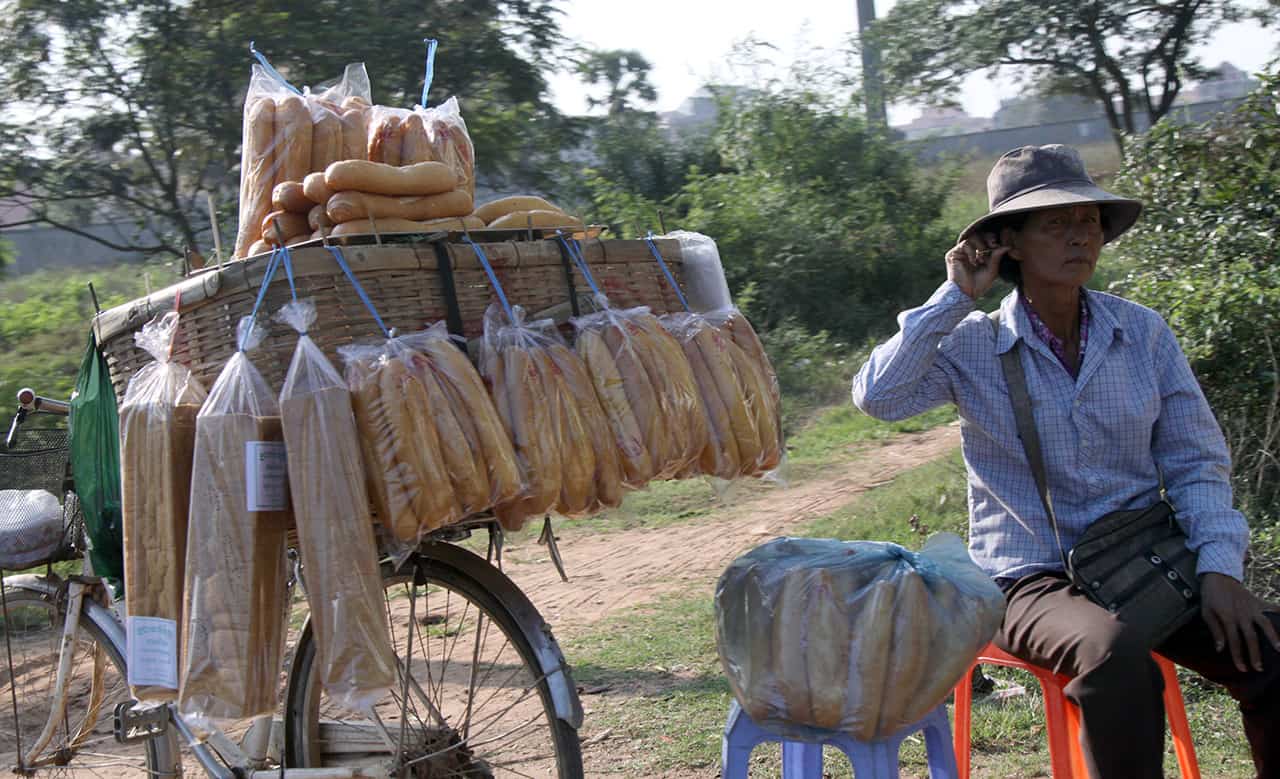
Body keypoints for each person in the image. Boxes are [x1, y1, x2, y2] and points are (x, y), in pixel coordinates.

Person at [851, 144, 1279, 779]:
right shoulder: (974, 344)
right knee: (1112, 653)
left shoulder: (1141, 333)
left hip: (1145, 564)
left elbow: (1197, 463)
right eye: (1055, 223)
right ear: (1009, 245)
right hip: (1028, 580)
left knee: (1272, 648)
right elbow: (876, 397)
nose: (1080, 236)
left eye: (1088, 221)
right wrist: (952, 298)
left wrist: (1219, 569)